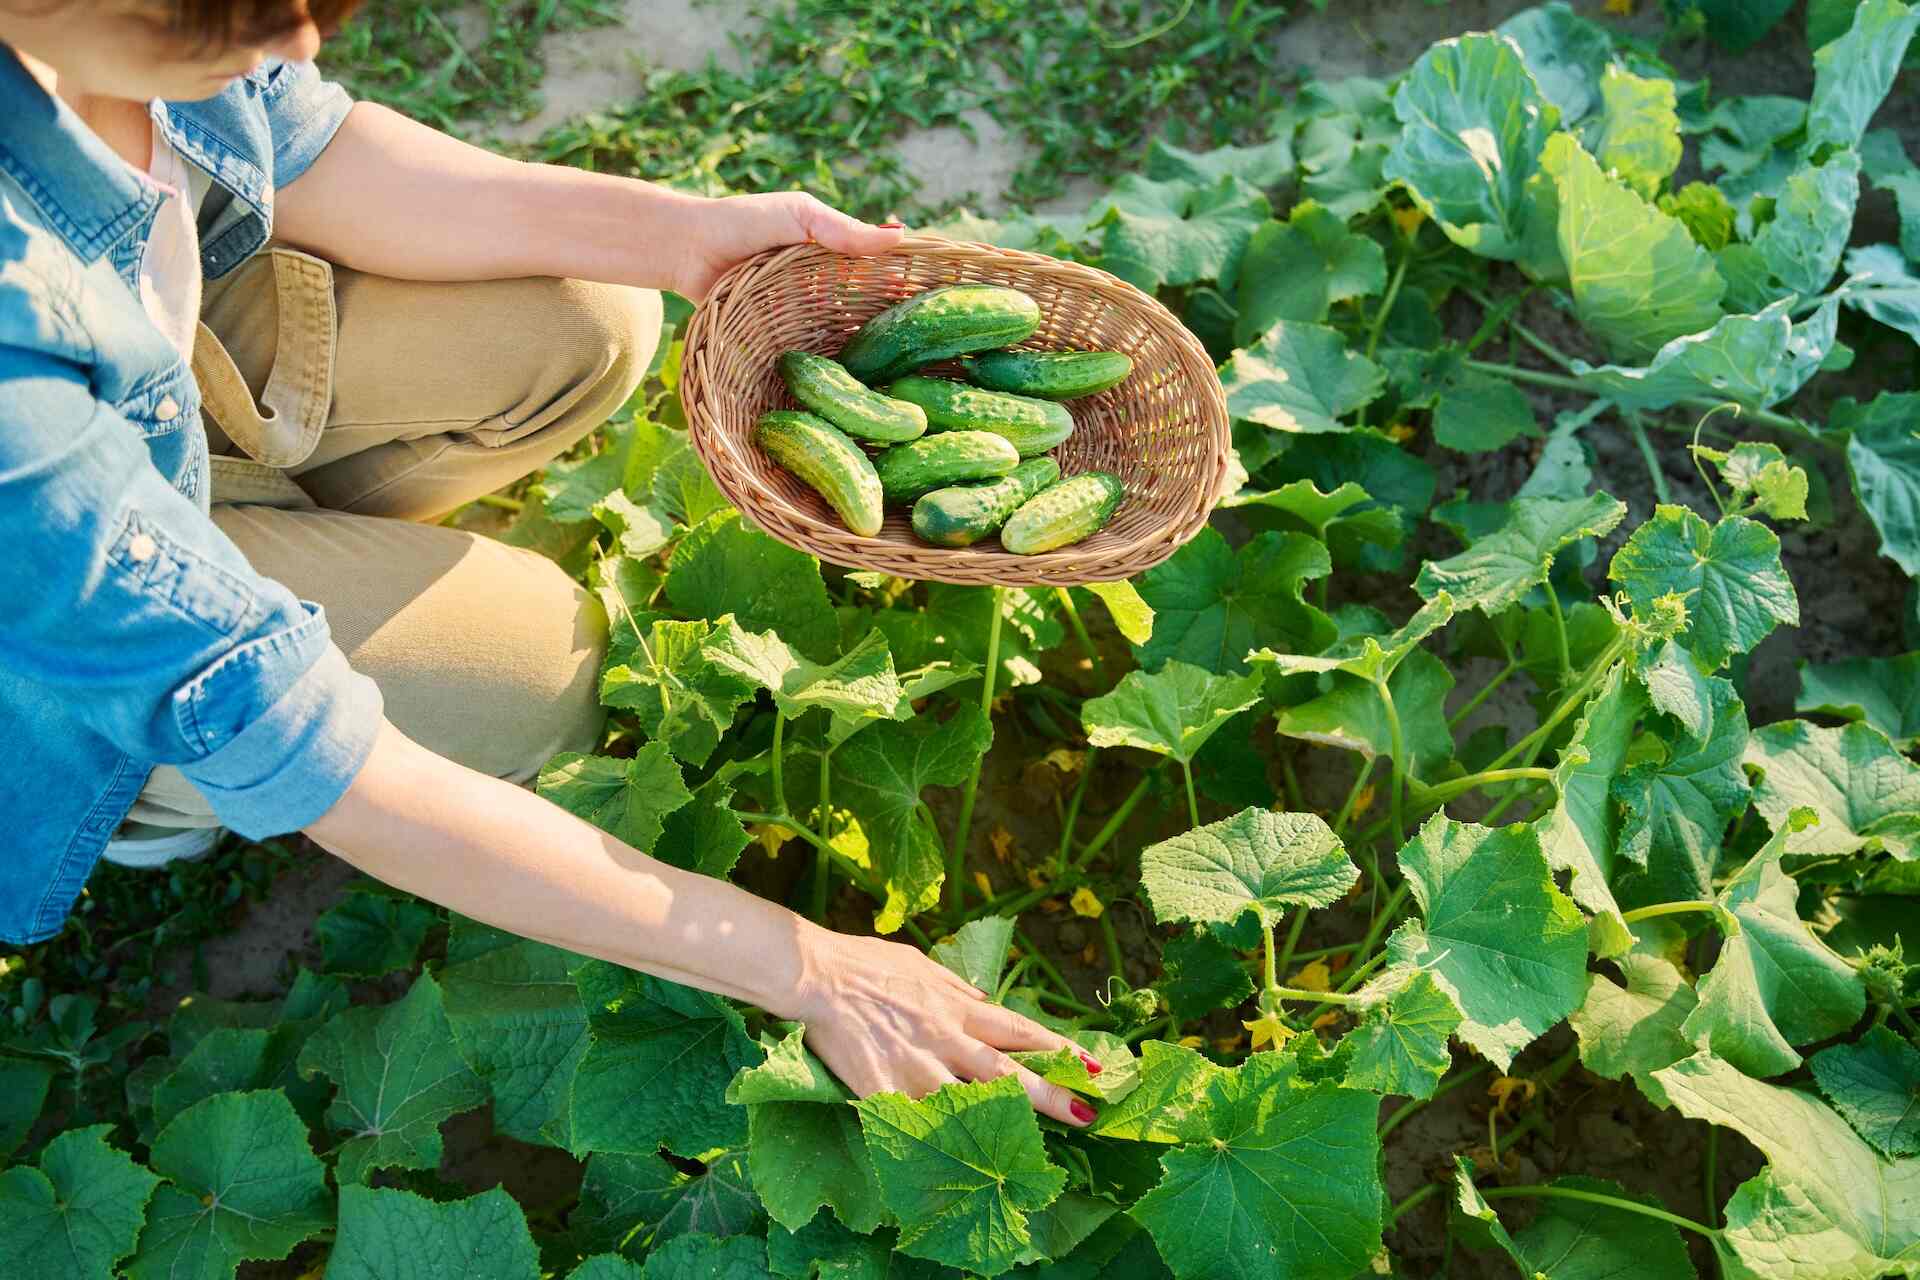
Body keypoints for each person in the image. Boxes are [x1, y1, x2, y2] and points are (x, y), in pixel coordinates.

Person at [0, 0, 1099, 1129]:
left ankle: (294, 555)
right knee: (541, 670)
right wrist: (809, 966)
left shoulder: (128, 34)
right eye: (243, 24)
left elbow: (305, 142)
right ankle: (153, 797)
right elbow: (299, 734)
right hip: (41, 658)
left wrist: (685, 234)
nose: (301, 47)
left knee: (589, 312)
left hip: (150, 411)